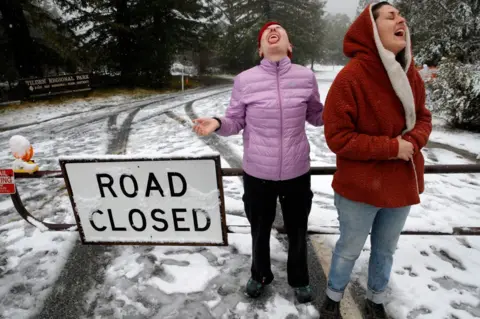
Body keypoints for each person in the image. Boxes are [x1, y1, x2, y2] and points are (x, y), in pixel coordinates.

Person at [192, 21, 324, 303]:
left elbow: (316, 116)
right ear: (260, 49)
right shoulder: (245, 80)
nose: (272, 31)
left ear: (289, 46)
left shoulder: (305, 77)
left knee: (298, 228)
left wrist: (340, 108)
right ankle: (260, 274)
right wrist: (217, 122)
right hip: (257, 172)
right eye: (267, 32)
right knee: (259, 229)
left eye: (279, 30)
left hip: (296, 170)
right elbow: (235, 120)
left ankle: (300, 279)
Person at [320, 2, 432, 319]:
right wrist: (390, 148)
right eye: (390, 16)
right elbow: (338, 137)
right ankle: (332, 298)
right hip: (359, 188)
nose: (401, 19)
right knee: (348, 250)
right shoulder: (350, 78)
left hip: (399, 184)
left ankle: (376, 299)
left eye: (400, 15)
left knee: (385, 250)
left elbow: (424, 117)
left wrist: (411, 142)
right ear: (371, 29)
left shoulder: (411, 74)